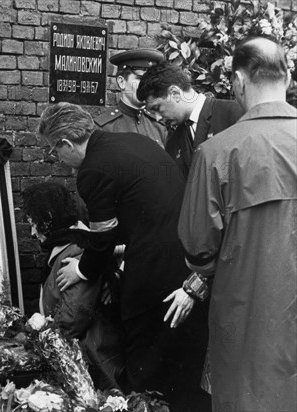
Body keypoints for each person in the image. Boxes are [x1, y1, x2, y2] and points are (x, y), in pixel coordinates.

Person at [38, 102, 210, 410]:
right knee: (183, 368)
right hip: (185, 266)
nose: (58, 159)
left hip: (152, 274)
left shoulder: (92, 168)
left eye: (54, 151)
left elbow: (103, 238)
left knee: (145, 368)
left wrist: (83, 270)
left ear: (66, 143)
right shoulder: (132, 141)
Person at [178, 36, 297, 411]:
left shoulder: (217, 153)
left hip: (249, 320)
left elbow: (198, 248)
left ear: (239, 82)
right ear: (288, 77)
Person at [21, 182, 123, 390]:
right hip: (79, 361)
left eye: (34, 223)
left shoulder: (77, 250)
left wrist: (37, 330)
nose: (32, 232)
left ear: (49, 218)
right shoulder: (66, 246)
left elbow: (72, 319)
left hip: (93, 365)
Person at [137, 63, 244, 178]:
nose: (158, 118)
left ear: (175, 93)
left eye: (157, 108)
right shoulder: (173, 142)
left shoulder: (234, 114)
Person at [95, 49, 167, 148]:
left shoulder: (158, 126)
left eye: (151, 80)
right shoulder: (105, 128)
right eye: (141, 79)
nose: (147, 85)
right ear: (121, 82)